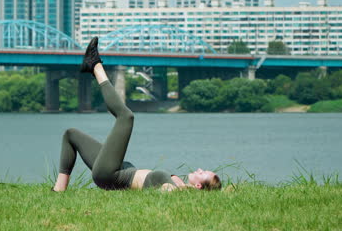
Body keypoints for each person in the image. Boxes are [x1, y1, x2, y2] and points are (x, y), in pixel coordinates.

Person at [52, 37, 222, 192]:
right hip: (120, 169)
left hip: (111, 174)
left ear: (198, 185)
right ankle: (59, 190)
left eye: (203, 173)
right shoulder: (180, 182)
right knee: (71, 135)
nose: (200, 169)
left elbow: (166, 193)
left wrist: (175, 191)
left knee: (126, 117)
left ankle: (95, 66)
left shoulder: (178, 188)